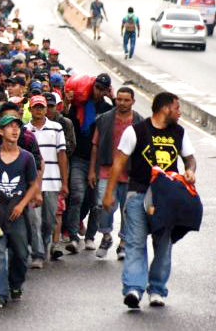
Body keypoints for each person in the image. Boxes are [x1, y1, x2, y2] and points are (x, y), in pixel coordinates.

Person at [103, 92, 196, 309]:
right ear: (165, 109)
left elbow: (190, 159)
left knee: (163, 244)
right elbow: (118, 163)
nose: (179, 112)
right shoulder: (136, 131)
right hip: (138, 194)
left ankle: (156, 289)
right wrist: (109, 193)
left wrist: (190, 171)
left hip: (167, 199)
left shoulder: (179, 133)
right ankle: (134, 289)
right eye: (177, 108)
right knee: (135, 242)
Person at [0, 116, 38, 308]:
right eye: (9, 127)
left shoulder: (27, 157)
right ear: (0, 132)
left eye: (17, 127)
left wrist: (22, 204)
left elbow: (34, 185)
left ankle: (16, 284)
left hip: (18, 214)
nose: (15, 130)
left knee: (21, 253)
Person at [87, 87, 143, 259]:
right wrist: (92, 171)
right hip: (106, 171)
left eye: (126, 100)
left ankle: (123, 244)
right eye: (119, 99)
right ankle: (106, 236)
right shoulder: (104, 119)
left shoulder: (140, 122)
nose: (122, 103)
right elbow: (95, 145)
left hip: (131, 174)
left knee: (129, 210)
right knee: (102, 206)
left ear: (133, 101)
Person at [64, 73, 113, 254]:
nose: (99, 92)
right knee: (77, 196)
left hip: (100, 163)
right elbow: (68, 124)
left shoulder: (108, 109)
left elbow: (119, 122)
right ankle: (73, 237)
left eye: (103, 89)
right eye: (97, 88)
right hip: (79, 158)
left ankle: (91, 236)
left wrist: (114, 98)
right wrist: (68, 103)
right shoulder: (80, 105)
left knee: (96, 202)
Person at [25, 95, 68, 267]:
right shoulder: (24, 130)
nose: (39, 110)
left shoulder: (56, 128)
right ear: (30, 110)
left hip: (52, 181)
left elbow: (62, 155)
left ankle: (43, 244)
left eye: (41, 107)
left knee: (49, 220)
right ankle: (38, 254)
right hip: (33, 183)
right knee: (34, 220)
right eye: (35, 107)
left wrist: (65, 182)